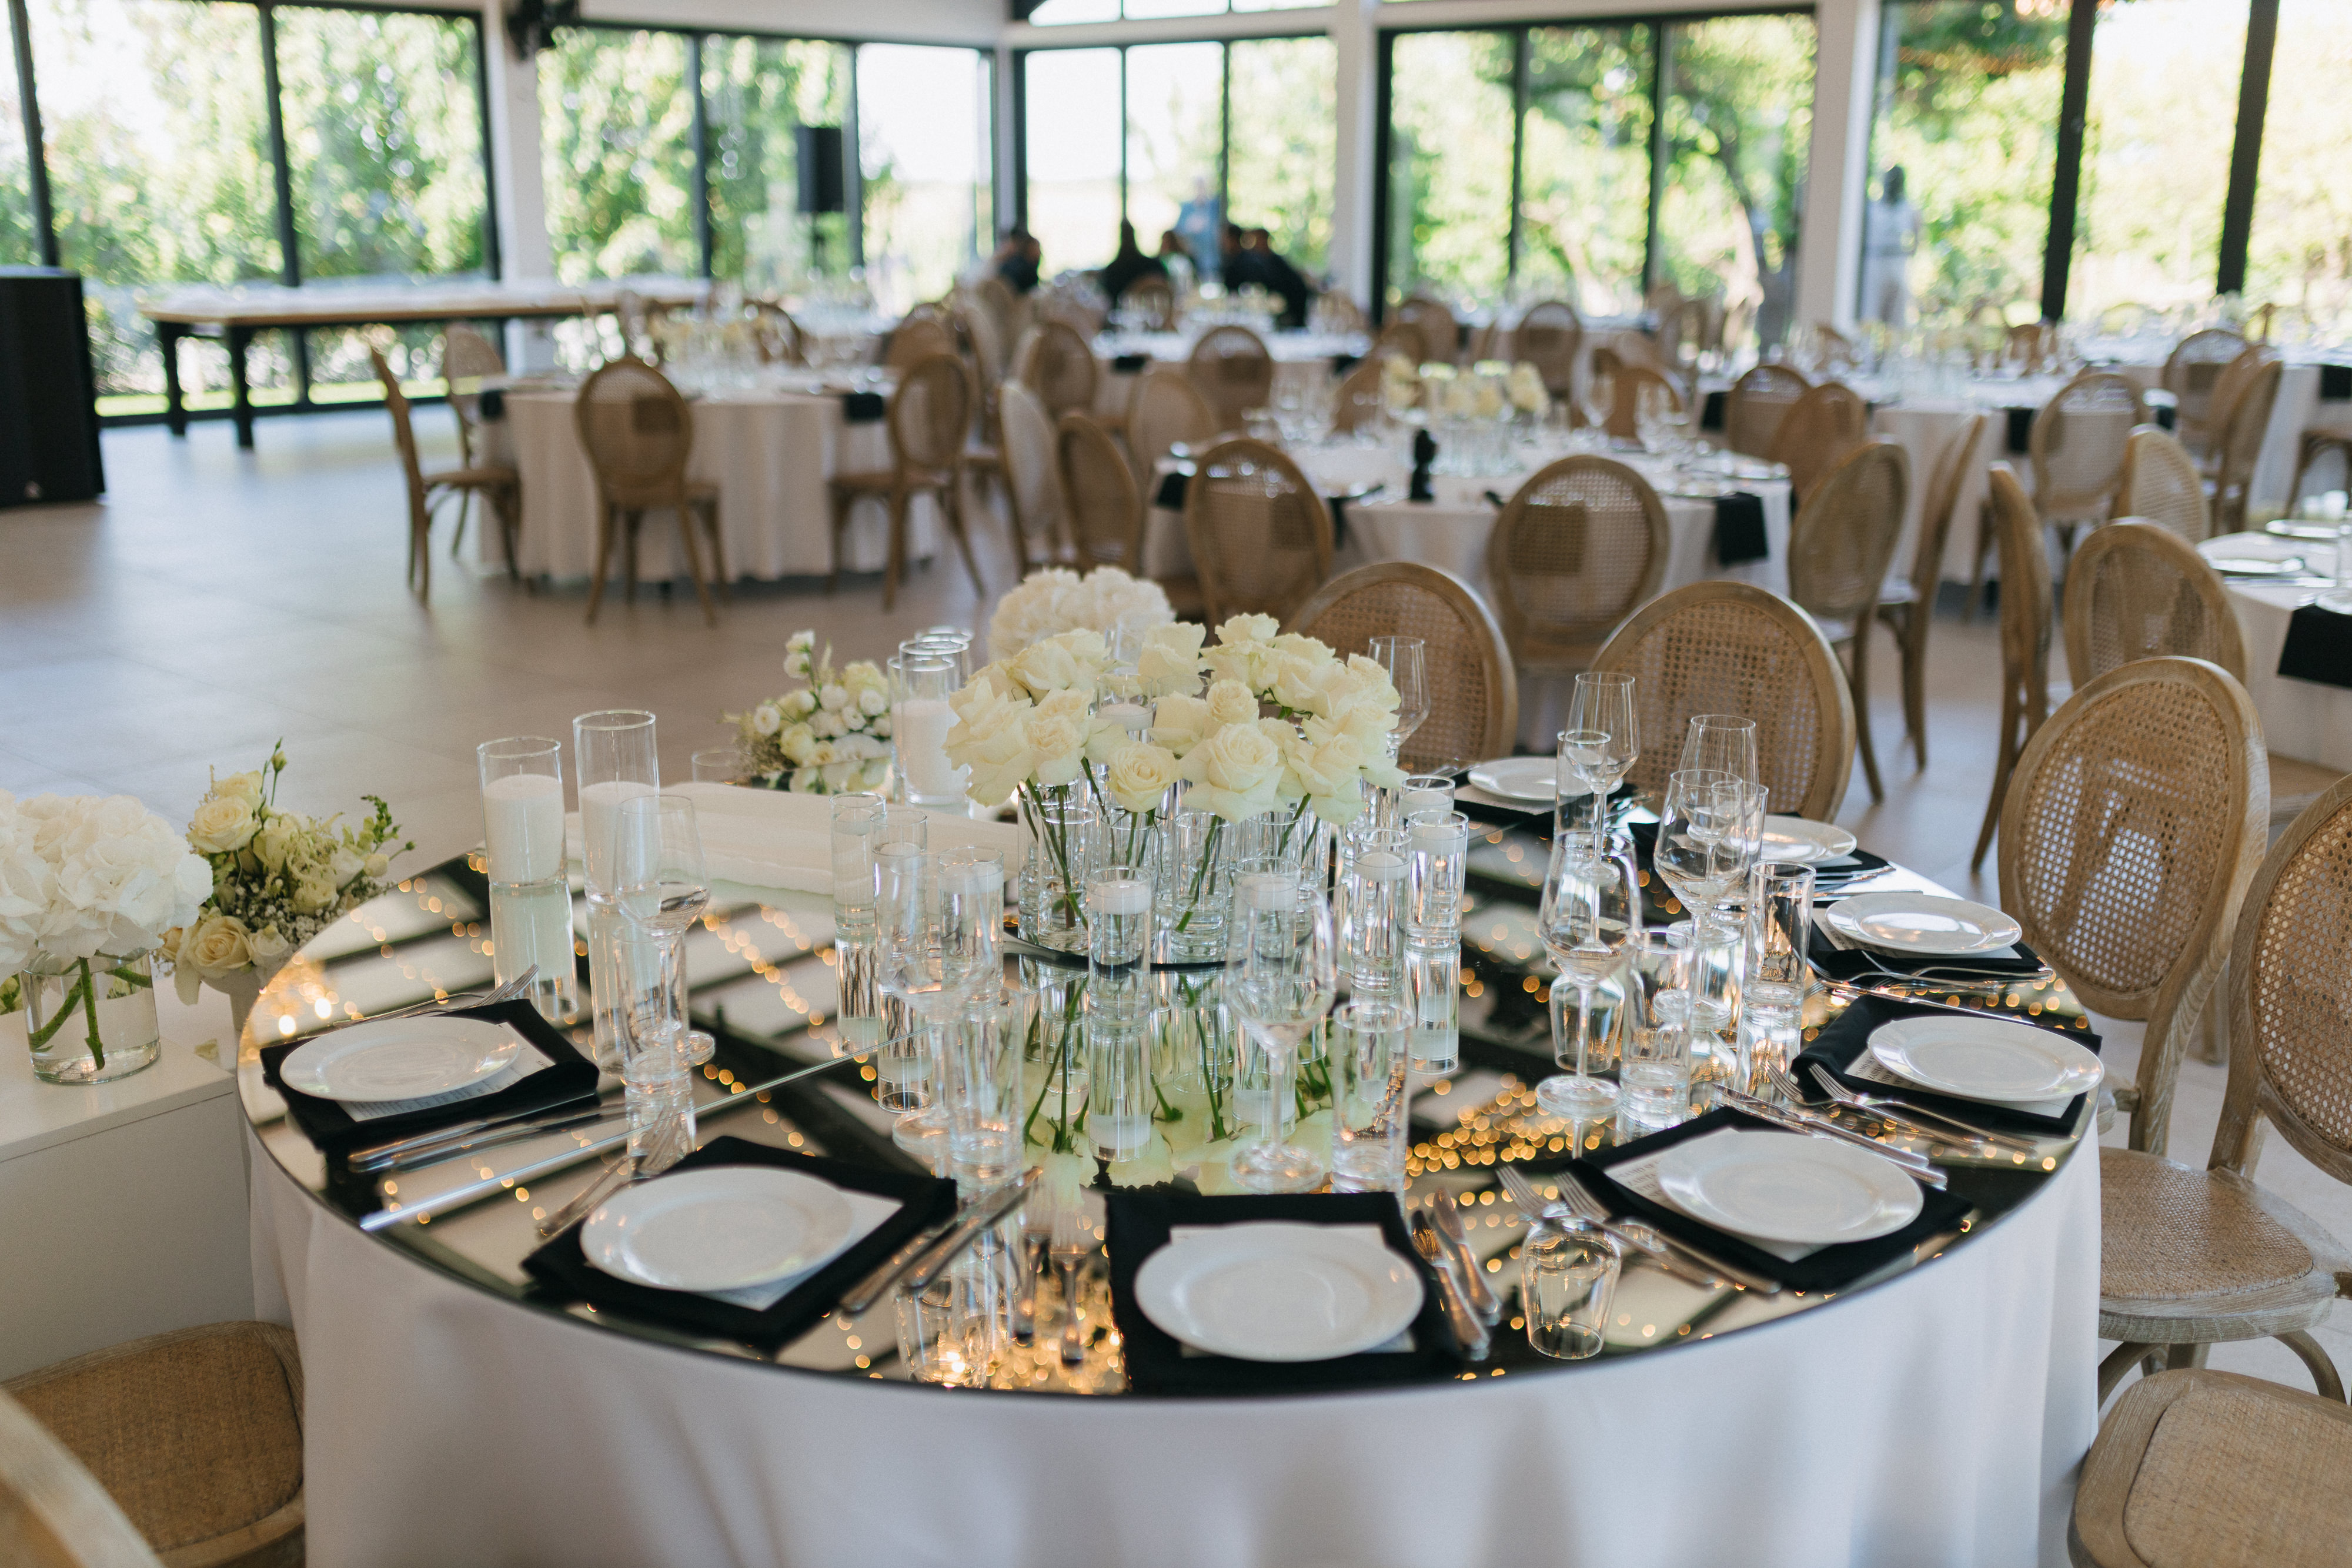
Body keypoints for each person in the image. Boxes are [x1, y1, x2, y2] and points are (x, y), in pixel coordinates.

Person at [1860, 166, 1922, 330]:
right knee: (1871, 310)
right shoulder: (1872, 207)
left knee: (1897, 313)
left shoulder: (1909, 209)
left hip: (1897, 261)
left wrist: (1910, 253)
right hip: (1875, 260)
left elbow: (1918, 235)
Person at [1242, 226, 1310, 330]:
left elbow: (1290, 286)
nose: (1253, 245)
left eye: (1256, 240)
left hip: (1291, 308)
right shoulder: (1259, 261)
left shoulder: (1275, 262)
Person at [1095, 220, 1167, 310]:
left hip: (1127, 315)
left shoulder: (1114, 270)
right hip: (1158, 313)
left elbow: (1110, 301)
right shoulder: (1153, 265)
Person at [990, 228, 1041, 295]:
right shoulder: (1024, 269)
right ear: (1029, 248)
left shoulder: (1011, 263)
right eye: (1037, 248)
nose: (1040, 252)